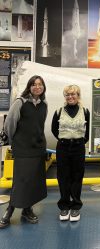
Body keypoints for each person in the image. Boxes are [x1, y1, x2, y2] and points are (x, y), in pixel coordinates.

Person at [0, 75, 48, 229]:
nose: (37, 87)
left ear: (43, 87)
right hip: (23, 149)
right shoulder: (19, 103)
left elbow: (40, 125)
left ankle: (27, 210)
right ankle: (9, 211)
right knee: (20, 182)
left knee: (34, 181)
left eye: (40, 84)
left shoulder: (44, 104)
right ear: (29, 86)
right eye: (34, 84)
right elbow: (9, 125)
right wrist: (17, 143)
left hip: (38, 149)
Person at [51, 85, 90, 222]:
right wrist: (65, 140)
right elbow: (54, 129)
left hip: (79, 147)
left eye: (73, 94)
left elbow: (88, 132)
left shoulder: (85, 111)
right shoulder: (59, 111)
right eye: (67, 95)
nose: (70, 97)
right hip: (63, 147)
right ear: (65, 97)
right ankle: (64, 206)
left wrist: (79, 141)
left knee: (77, 177)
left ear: (78, 96)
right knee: (63, 177)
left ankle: (75, 207)